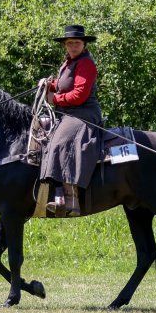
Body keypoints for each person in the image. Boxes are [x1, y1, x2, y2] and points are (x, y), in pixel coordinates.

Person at [40, 24, 102, 217]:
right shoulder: (68, 63)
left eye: (77, 43)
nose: (73, 46)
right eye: (69, 43)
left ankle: (69, 199)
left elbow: (79, 95)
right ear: (65, 45)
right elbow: (63, 83)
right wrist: (49, 84)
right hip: (68, 112)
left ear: (84, 44)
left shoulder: (86, 64)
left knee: (59, 141)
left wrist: (54, 99)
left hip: (83, 113)